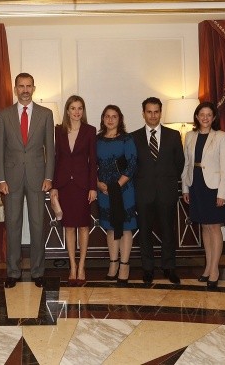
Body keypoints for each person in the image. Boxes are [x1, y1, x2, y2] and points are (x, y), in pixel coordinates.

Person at [0, 73, 55, 288]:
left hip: (38, 178)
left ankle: (38, 271)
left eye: (29, 86)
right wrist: (0, 179)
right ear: (15, 89)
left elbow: (50, 148)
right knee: (13, 225)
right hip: (11, 179)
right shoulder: (4, 115)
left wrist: (49, 176)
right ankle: (13, 271)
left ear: (34, 88)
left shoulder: (46, 114)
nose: (25, 90)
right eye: (21, 86)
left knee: (38, 225)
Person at [132, 97, 184, 285]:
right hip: (143, 193)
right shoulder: (134, 137)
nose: (153, 116)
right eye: (149, 112)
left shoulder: (173, 135)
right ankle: (148, 269)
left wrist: (167, 180)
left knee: (168, 231)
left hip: (166, 192)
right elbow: (132, 165)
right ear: (143, 113)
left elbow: (180, 163)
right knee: (144, 232)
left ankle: (169, 267)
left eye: (156, 112)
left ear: (160, 113)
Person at [181, 101, 225, 290]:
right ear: (196, 116)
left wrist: (222, 193)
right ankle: (208, 266)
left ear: (214, 117)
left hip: (213, 187)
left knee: (214, 227)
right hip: (196, 185)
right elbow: (186, 164)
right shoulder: (190, 136)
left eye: (209, 114)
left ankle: (215, 269)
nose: (205, 118)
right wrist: (185, 188)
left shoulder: (221, 136)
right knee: (204, 226)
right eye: (201, 114)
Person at [52, 95, 98, 286]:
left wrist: (93, 187)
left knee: (84, 226)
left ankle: (82, 266)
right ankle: (72, 266)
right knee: (69, 227)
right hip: (64, 186)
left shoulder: (90, 130)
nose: (76, 112)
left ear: (83, 111)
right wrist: (54, 186)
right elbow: (55, 159)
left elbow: (93, 161)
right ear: (67, 111)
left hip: (82, 186)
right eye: (73, 108)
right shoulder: (58, 130)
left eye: (80, 108)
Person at [96, 105, 138, 285]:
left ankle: (124, 265)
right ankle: (113, 264)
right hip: (103, 190)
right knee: (111, 227)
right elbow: (90, 164)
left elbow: (132, 163)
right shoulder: (96, 139)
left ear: (119, 119)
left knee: (125, 227)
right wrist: (98, 183)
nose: (110, 120)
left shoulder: (126, 139)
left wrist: (117, 186)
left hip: (123, 189)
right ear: (103, 119)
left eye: (114, 116)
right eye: (107, 116)